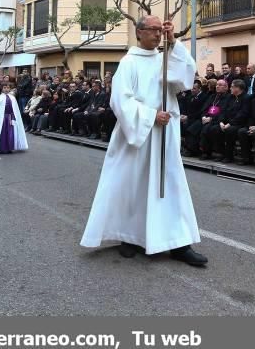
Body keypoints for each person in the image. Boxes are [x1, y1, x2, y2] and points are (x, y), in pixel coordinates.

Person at [80, 15, 207, 266]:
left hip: (165, 134)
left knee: (170, 185)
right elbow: (120, 101)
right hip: (138, 134)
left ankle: (178, 243)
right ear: (139, 32)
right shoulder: (128, 63)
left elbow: (185, 77)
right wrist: (150, 116)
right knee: (133, 185)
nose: (158, 34)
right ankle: (130, 236)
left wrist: (174, 43)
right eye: (153, 30)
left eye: (161, 30)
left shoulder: (164, 59)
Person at [0, 82, 29, 154]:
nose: (6, 89)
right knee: (3, 132)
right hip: (2, 118)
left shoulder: (12, 98)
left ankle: (10, 147)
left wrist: (14, 117)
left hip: (10, 117)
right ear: (2, 89)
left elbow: (15, 109)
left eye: (8, 88)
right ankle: (3, 148)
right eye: (5, 88)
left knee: (10, 133)